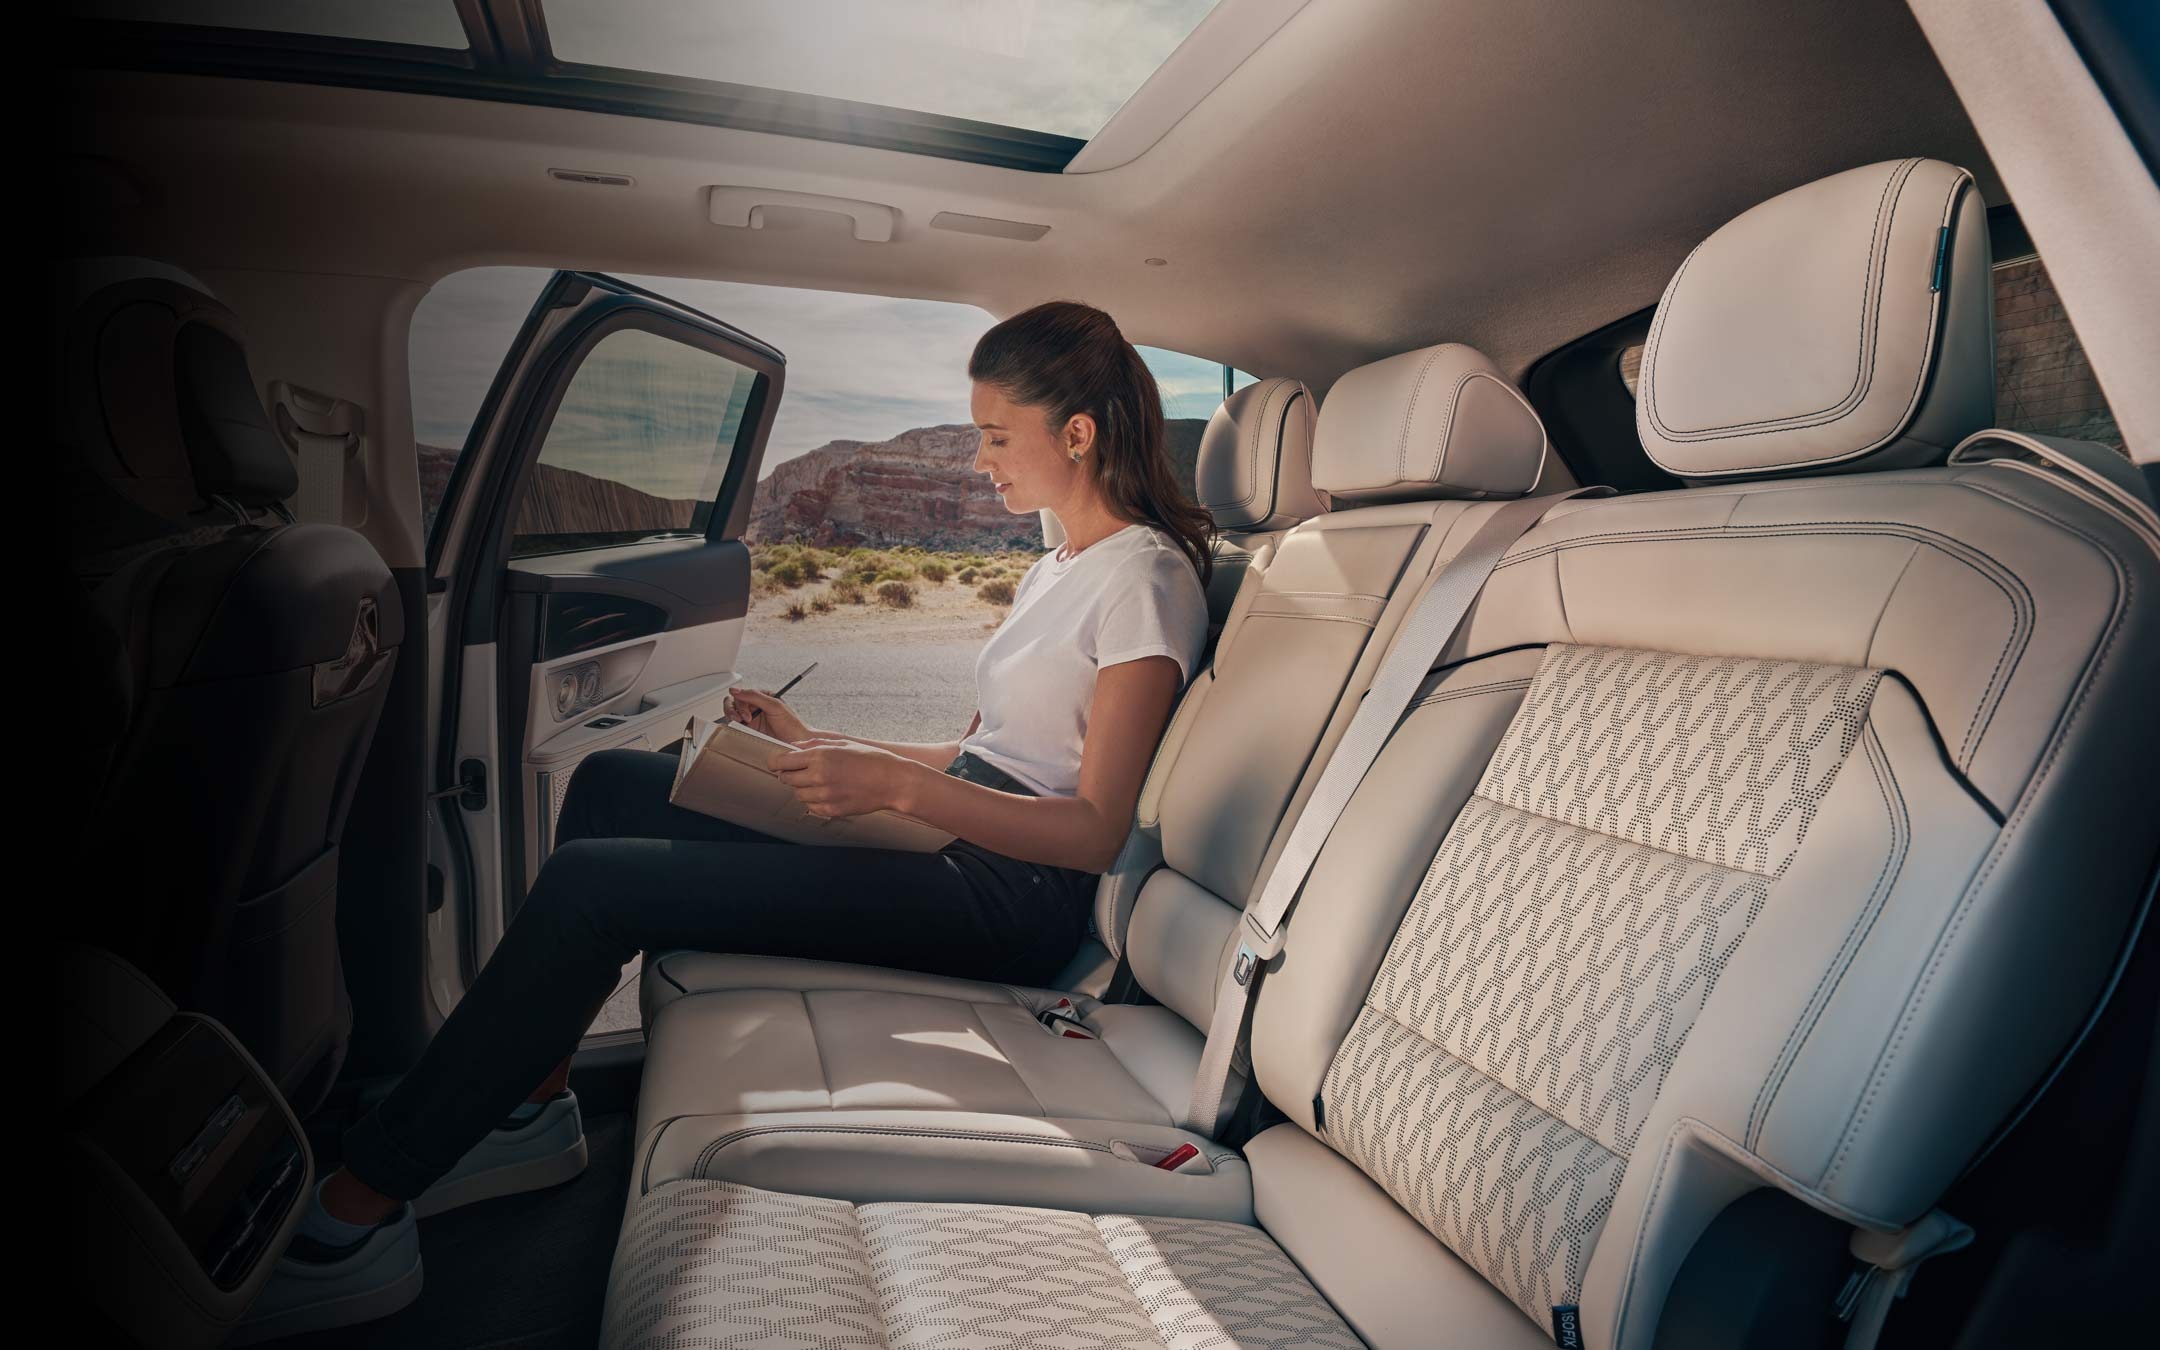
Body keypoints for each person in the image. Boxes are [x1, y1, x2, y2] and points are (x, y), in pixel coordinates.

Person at [248, 300, 1214, 1335]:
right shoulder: (1056, 568)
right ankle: (532, 1100)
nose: (978, 461)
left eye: (993, 435)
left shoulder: (1145, 580)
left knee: (595, 887)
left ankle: (363, 1203)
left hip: (1011, 896)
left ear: (1078, 434)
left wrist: (897, 792)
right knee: (616, 781)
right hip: (957, 836)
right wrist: (821, 744)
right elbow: (980, 755)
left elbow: (1091, 829)